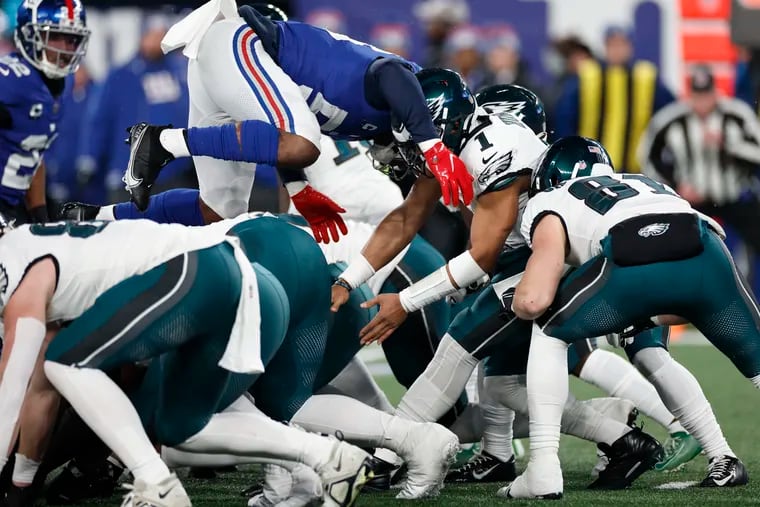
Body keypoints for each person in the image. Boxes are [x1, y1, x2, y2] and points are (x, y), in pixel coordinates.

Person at [0, 216, 375, 507]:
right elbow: (39, 391)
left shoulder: (14, 263)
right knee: (181, 428)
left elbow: (13, 386)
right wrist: (22, 479)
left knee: (67, 361)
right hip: (237, 278)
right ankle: (332, 457)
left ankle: (157, 485)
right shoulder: (37, 260)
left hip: (202, 273)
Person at [95, 0, 471, 244]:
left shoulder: (384, 114)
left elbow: (274, 132)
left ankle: (100, 217)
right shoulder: (399, 83)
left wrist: (299, 190)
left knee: (218, 210)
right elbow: (391, 71)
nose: (405, 160)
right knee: (303, 143)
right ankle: (162, 143)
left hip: (227, 62)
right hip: (238, 41)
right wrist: (432, 145)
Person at [504, 136, 753, 499]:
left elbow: (532, 300)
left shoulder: (550, 199)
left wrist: (514, 299)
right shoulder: (643, 183)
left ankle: (542, 469)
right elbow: (675, 287)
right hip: (707, 250)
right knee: (657, 349)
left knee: (548, 328)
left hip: (633, 254)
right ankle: (724, 459)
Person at [640, 64, 760, 268]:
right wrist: (675, 186)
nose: (703, 103)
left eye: (707, 96)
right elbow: (646, 156)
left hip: (733, 195)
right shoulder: (671, 118)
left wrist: (729, 145)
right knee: (675, 247)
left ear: (715, 92)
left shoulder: (737, 114)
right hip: (692, 200)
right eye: (698, 96)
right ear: (690, 95)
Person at [0, 0, 89, 225]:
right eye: (55, 37)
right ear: (30, 36)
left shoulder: (60, 84)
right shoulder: (10, 81)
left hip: (15, 208)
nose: (65, 49)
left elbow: (33, 154)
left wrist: (39, 215)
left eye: (72, 40)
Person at [553, 25, 674, 172]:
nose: (617, 50)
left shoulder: (645, 78)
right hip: (593, 167)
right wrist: (573, 154)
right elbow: (564, 118)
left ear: (630, 47)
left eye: (622, 44)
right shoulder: (588, 76)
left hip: (635, 168)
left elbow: (669, 115)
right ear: (605, 47)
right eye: (612, 44)